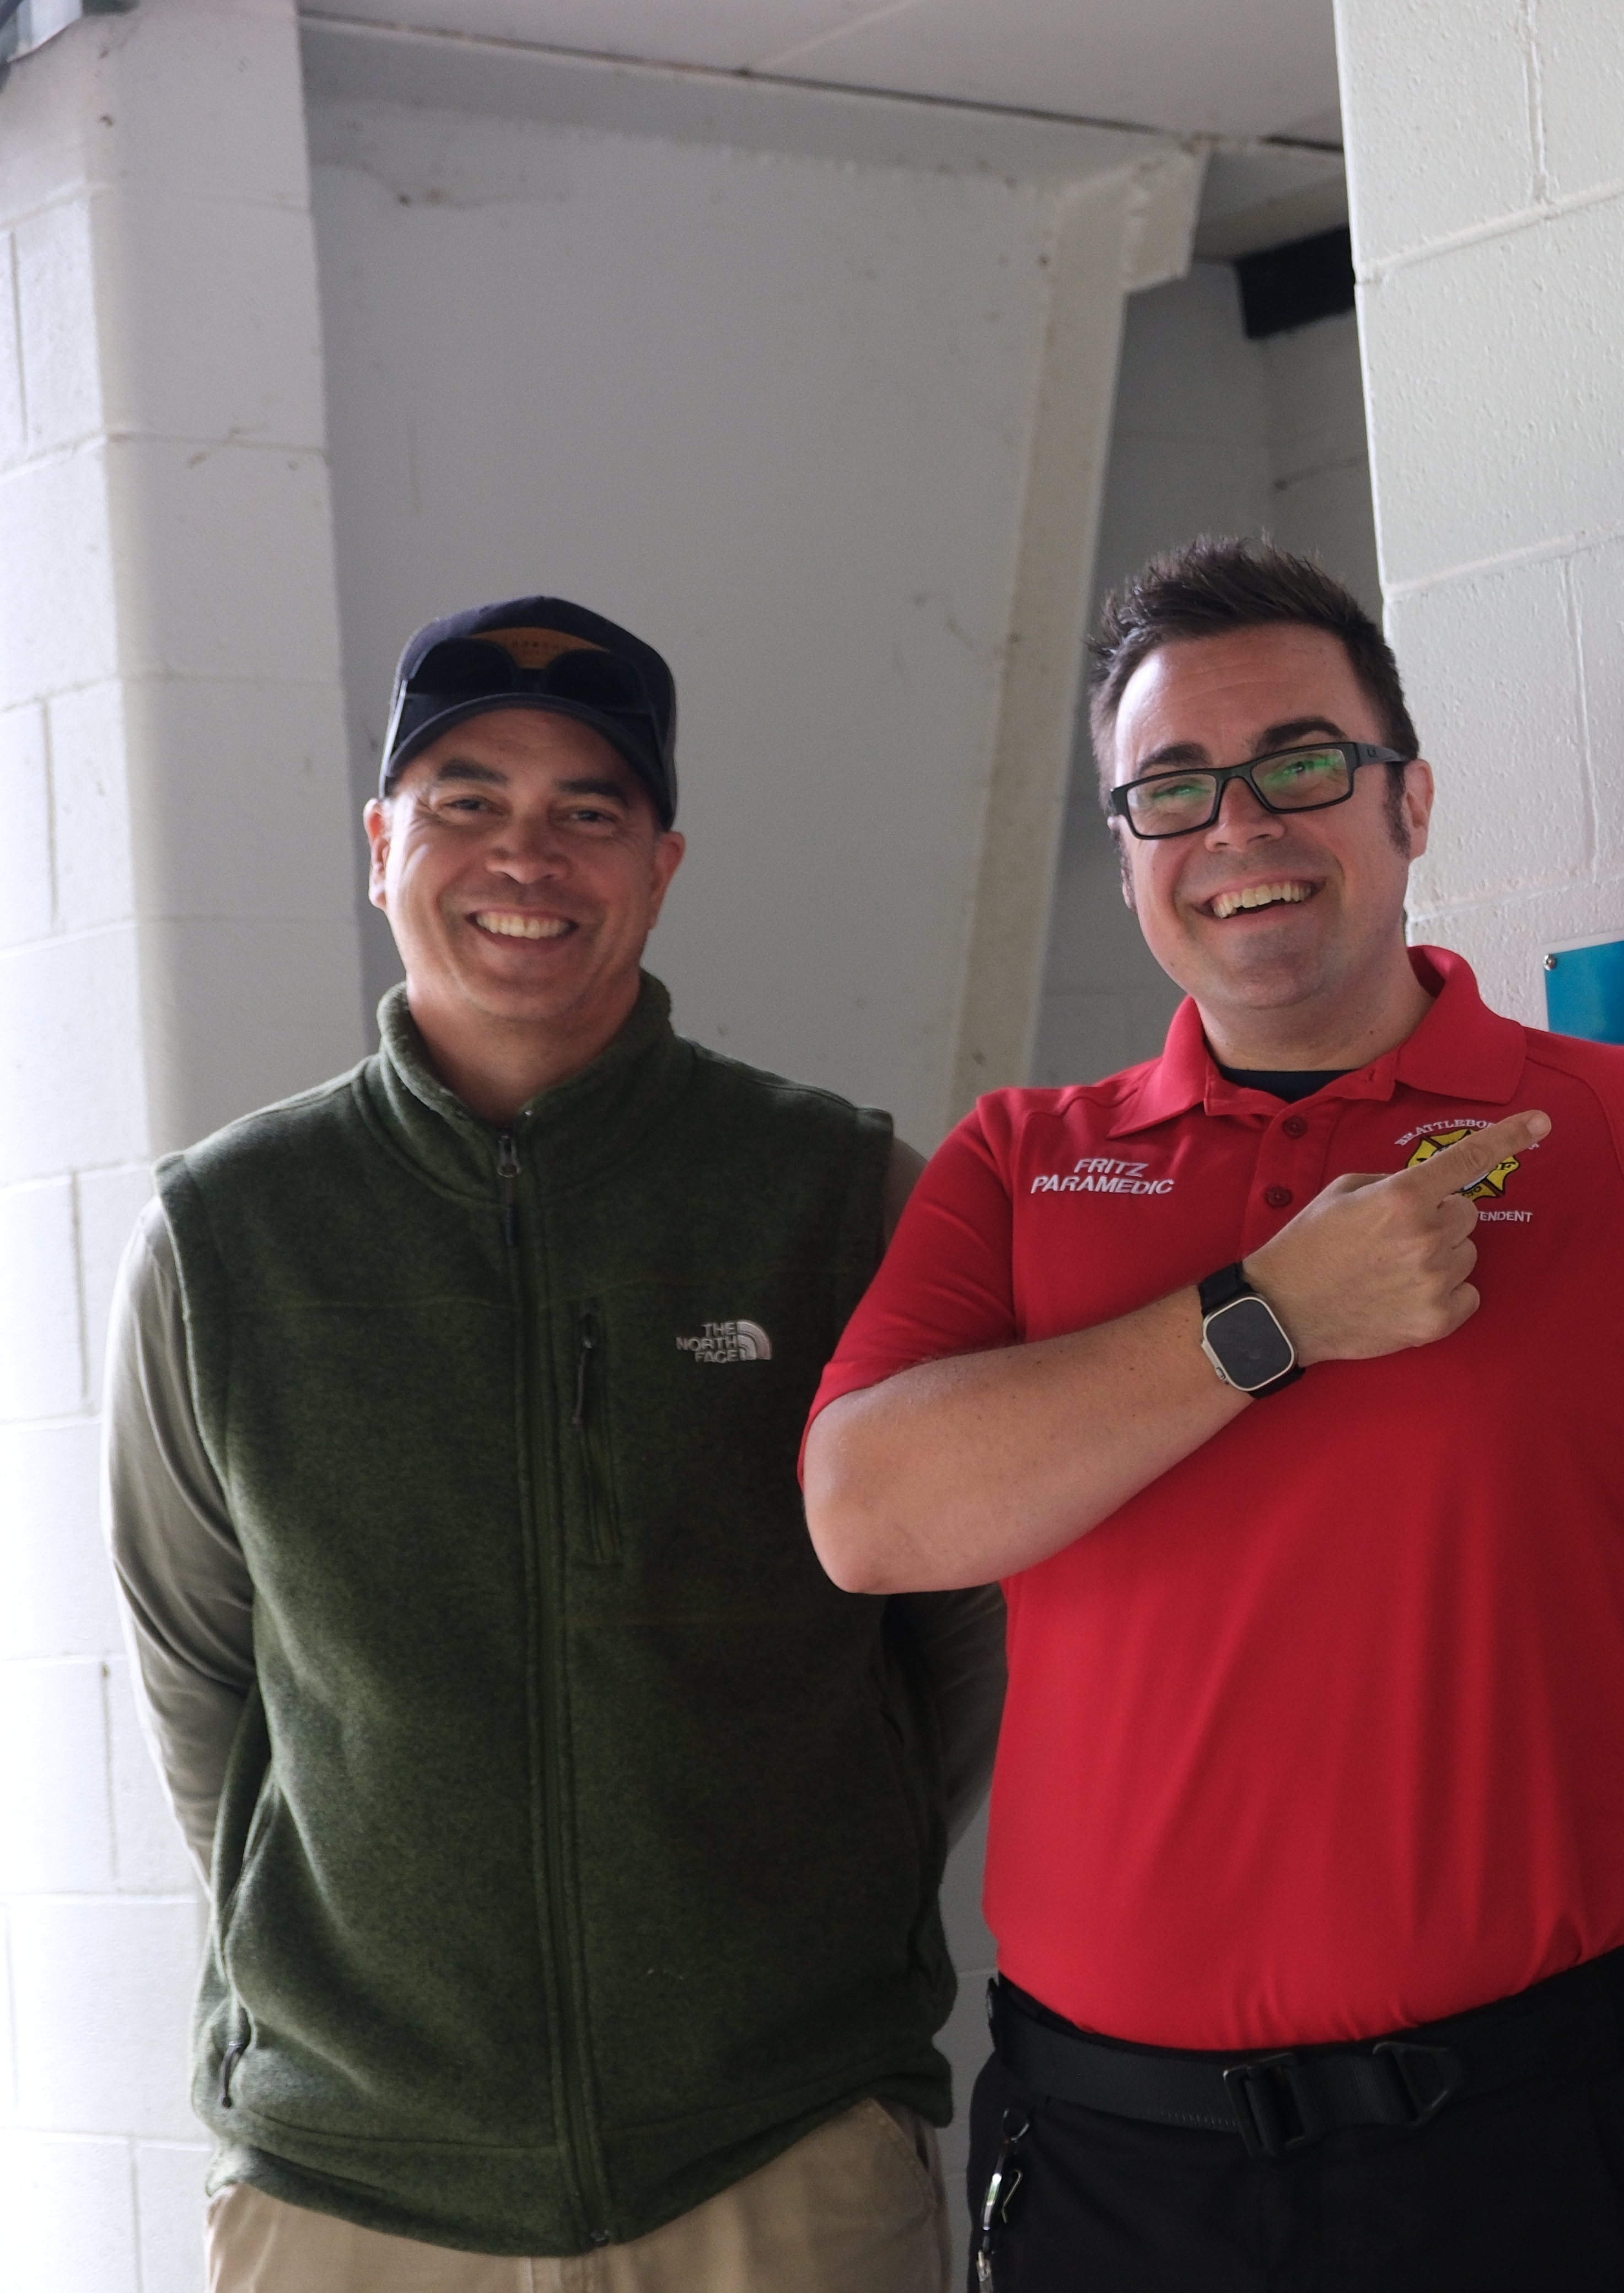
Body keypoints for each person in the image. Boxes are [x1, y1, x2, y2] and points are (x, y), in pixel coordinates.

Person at [799, 539, 1624, 2293]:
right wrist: (1264, 1321)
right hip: (1129, 2175)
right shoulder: (1021, 1166)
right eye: (1174, 790)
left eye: (1302, 765)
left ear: (1410, 801)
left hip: (1575, 2130)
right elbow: (868, 1515)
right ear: (1128, 855)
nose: (1242, 828)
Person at [106, 597, 1005, 2292]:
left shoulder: (840, 1201)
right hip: (351, 2190)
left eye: (587, 810)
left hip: (784, 2158)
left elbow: (960, 1631)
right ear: (382, 846)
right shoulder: (225, 1241)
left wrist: (809, 1914)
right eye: (466, 801)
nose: (528, 854)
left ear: (661, 864)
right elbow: (200, 1679)